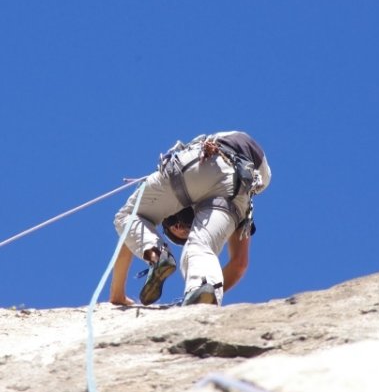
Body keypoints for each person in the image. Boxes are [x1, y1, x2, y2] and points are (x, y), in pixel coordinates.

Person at [109, 131, 271, 306]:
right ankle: (202, 287)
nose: (180, 225)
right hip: (239, 184)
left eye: (175, 223)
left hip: (210, 161)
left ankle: (157, 255)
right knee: (199, 246)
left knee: (128, 217)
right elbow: (239, 264)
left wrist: (117, 294)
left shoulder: (184, 200)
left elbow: (130, 234)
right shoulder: (243, 209)